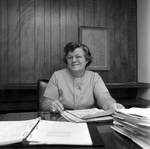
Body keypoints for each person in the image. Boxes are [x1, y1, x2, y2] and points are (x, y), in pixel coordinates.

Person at [42, 42, 125, 113]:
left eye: (78, 57)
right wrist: (52, 107)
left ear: (87, 60)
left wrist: (111, 105)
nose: (74, 60)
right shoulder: (57, 76)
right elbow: (46, 104)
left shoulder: (94, 77)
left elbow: (104, 98)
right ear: (66, 60)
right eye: (70, 57)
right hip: (63, 119)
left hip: (89, 119)